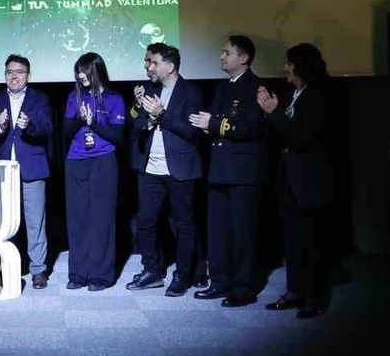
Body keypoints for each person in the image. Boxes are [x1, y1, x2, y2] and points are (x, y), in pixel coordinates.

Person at [192, 34, 269, 308]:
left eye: (227, 52)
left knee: (242, 233)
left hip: (243, 173)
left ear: (243, 57)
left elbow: (253, 127)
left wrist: (214, 124)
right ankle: (220, 281)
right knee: (218, 230)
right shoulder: (223, 88)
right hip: (220, 169)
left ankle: (243, 287)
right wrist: (206, 125)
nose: (221, 56)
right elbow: (216, 122)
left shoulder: (256, 87)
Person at [257, 43, 333, 319]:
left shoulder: (318, 97)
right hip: (288, 179)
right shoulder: (291, 95)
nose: (285, 68)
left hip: (310, 180)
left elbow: (301, 137)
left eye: (289, 63)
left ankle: (314, 296)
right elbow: (281, 132)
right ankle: (295, 290)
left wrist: (274, 111)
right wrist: (269, 111)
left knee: (311, 241)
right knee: (292, 239)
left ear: (303, 66)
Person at [127, 43, 205, 296]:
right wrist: (148, 120)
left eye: (154, 62)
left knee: (183, 224)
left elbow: (192, 132)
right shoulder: (149, 90)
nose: (149, 66)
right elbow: (136, 126)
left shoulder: (191, 92)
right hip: (150, 168)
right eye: (148, 62)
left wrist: (161, 114)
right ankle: (151, 271)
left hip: (180, 169)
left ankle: (183, 274)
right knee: (146, 221)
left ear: (170, 66)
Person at [0, 54, 54, 288]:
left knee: (35, 222)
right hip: (3, 170)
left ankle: (38, 270)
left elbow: (48, 128)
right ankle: (4, 266)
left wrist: (30, 126)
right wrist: (0, 126)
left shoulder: (39, 98)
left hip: (32, 168)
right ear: (5, 75)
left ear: (28, 76)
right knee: (4, 222)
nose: (14, 76)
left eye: (19, 72)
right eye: (10, 72)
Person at [60, 52, 125, 291]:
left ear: (97, 70)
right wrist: (80, 118)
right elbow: (65, 132)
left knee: (102, 219)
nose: (81, 75)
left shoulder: (114, 99)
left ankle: (101, 275)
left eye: (85, 70)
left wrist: (94, 122)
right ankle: (78, 273)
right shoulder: (74, 97)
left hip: (103, 161)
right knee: (77, 220)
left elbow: (118, 137)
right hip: (76, 161)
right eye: (78, 71)